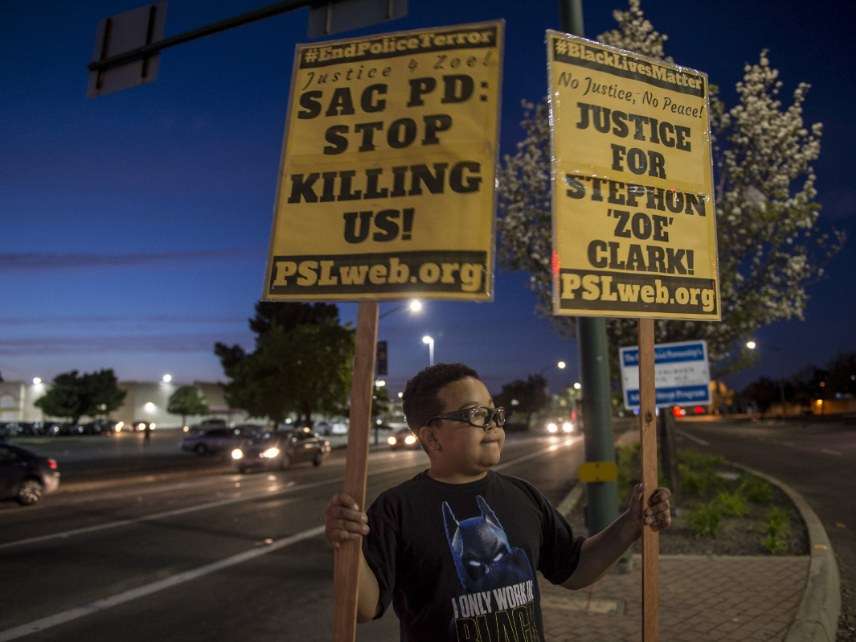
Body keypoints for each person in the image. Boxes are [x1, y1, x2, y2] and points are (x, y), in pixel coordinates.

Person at [325, 363, 671, 642]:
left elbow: (574, 570)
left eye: (494, 413)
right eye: (475, 415)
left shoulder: (524, 496)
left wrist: (629, 526)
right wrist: (347, 546)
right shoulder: (396, 509)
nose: (492, 424)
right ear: (431, 436)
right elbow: (364, 610)